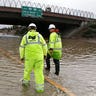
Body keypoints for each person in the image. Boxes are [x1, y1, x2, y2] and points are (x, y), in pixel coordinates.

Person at [19, 23, 47, 93]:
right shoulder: (40, 36)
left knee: (27, 71)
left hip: (29, 58)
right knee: (39, 72)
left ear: (29, 28)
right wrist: (45, 54)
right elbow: (44, 46)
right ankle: (39, 89)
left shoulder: (25, 37)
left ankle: (25, 86)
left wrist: (21, 56)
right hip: (39, 58)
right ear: (35, 28)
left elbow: (21, 47)